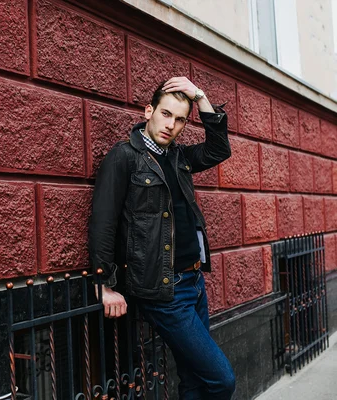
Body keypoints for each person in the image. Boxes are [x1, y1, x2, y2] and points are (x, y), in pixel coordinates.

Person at [88, 76, 236, 399]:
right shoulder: (124, 157)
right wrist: (105, 285)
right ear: (148, 111)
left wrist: (199, 95)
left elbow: (219, 148)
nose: (171, 125)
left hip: (194, 283)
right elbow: (103, 222)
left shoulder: (179, 158)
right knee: (222, 379)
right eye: (166, 114)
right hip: (164, 291)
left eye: (180, 119)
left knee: (194, 379)